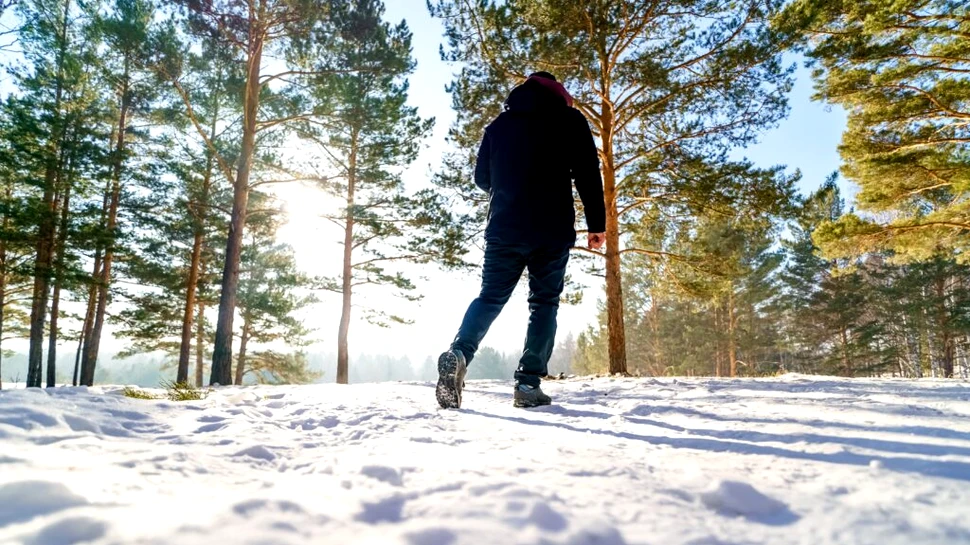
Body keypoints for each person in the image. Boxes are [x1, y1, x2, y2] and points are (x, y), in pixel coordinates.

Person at [436, 71, 606, 409]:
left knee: (490, 297)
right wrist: (596, 224)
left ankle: (459, 353)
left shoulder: (499, 125)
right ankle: (527, 385)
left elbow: (482, 178)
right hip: (551, 229)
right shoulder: (569, 119)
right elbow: (588, 172)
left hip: (504, 228)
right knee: (543, 303)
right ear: (559, 92)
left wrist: (510, 193)